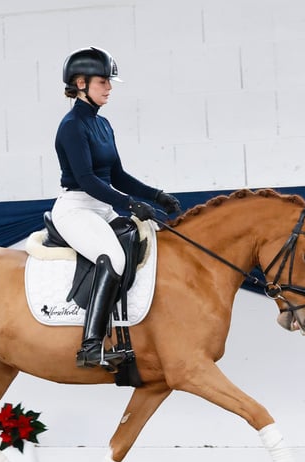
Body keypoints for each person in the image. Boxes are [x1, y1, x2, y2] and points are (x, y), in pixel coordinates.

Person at [51, 46, 182, 370]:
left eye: (109, 82)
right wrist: (128, 204)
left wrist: (156, 195)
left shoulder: (104, 124)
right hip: (77, 208)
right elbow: (87, 179)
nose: (109, 88)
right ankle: (90, 346)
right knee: (114, 258)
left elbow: (118, 175)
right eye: (102, 82)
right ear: (80, 83)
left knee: (150, 239)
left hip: (103, 206)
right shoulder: (71, 126)